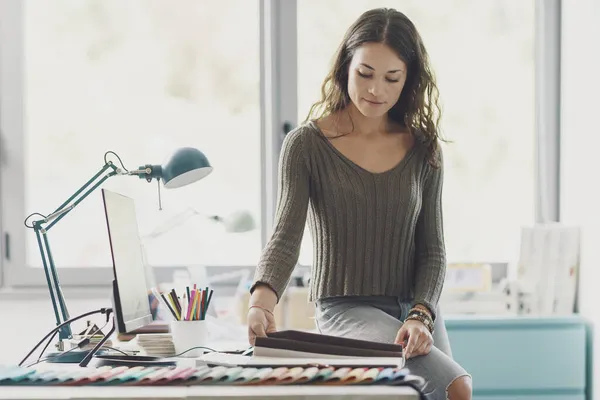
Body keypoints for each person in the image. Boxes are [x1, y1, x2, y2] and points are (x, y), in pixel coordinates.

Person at [247, 8, 472, 400]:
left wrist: (421, 313)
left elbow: (432, 250)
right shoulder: (306, 145)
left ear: (409, 79)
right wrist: (261, 304)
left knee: (443, 394)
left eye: (392, 78)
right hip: (345, 309)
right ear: (345, 66)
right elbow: (285, 237)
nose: (376, 90)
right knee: (455, 387)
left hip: (414, 310)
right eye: (365, 73)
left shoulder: (423, 149)